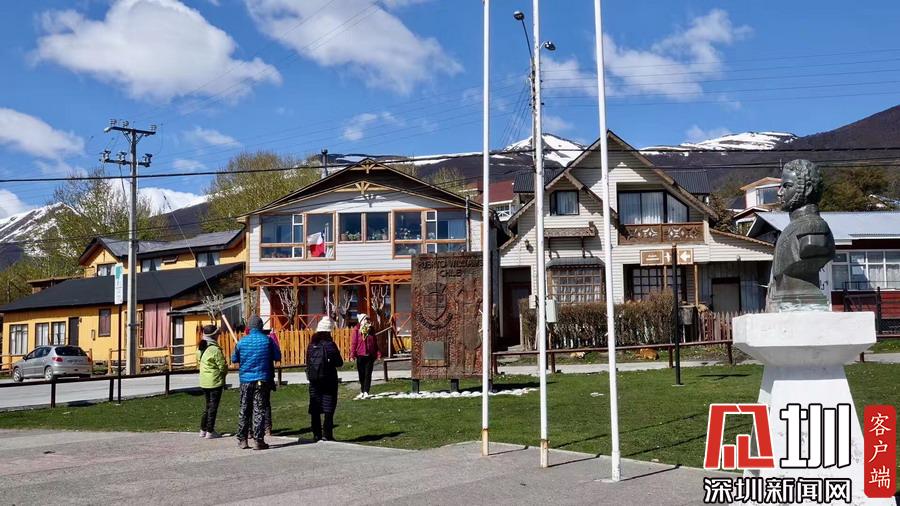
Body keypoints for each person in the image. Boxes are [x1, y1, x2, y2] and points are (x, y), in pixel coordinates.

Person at [232, 315, 281, 450]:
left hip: (245, 380)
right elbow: (277, 356)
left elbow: (234, 358)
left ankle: (242, 439)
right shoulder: (268, 341)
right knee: (259, 409)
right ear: (261, 326)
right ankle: (258, 440)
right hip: (262, 379)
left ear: (249, 327)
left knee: (244, 409)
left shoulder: (241, 342)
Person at [306, 317, 343, 441]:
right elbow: (339, 363)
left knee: (315, 406)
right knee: (329, 407)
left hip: (314, 380)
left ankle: (316, 434)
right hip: (329, 380)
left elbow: (308, 362)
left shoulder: (311, 345)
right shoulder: (330, 345)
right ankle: (327, 433)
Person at [197, 325, 227, 439]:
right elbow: (222, 366)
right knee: (213, 407)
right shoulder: (214, 349)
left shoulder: (201, 348)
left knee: (207, 406)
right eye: (217, 334)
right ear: (214, 336)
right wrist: (223, 374)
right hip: (214, 381)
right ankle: (210, 430)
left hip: (204, 381)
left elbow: (199, 361)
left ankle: (203, 429)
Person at [350, 314, 379, 399]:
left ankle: (366, 391)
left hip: (370, 355)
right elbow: (354, 343)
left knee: (368, 374)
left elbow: (375, 342)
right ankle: (362, 390)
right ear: (361, 321)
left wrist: (378, 353)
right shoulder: (357, 330)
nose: (367, 321)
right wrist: (352, 354)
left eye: (367, 319)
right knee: (361, 374)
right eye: (365, 319)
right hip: (360, 355)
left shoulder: (371, 330)